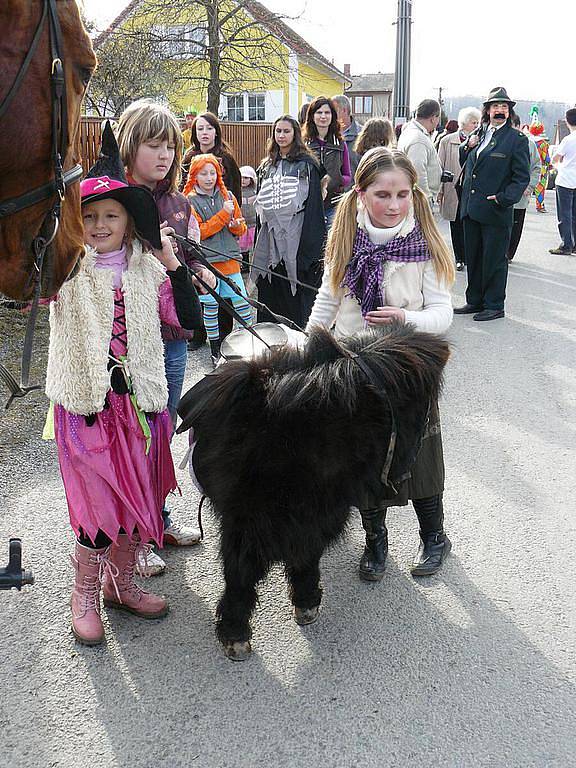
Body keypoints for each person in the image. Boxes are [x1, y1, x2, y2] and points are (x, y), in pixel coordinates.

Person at [45, 124, 202, 645]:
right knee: (96, 506)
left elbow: (185, 320)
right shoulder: (66, 272)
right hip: (88, 406)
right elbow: (29, 288)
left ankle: (121, 582)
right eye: (88, 216)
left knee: (136, 499)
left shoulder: (147, 272)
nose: (99, 224)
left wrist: (173, 262)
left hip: (139, 405)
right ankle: (83, 592)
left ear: (130, 223)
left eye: (111, 215)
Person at [306, 146, 454, 581]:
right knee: (364, 459)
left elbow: (442, 313)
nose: (393, 205)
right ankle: (376, 541)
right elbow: (327, 301)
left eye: (402, 195)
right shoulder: (346, 239)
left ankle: (434, 536)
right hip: (357, 369)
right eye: (383, 194)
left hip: (410, 369)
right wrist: (306, 344)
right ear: (361, 194)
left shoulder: (425, 243)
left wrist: (405, 318)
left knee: (421, 457)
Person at [117, 99, 212, 566]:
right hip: (127, 343)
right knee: (131, 435)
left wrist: (200, 271)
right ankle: (131, 536)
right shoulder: (109, 200)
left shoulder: (178, 203)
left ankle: (157, 518)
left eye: (170, 147)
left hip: (172, 341)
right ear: (130, 145)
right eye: (153, 145)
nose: (164, 156)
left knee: (161, 430)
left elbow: (192, 252)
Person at [454, 87, 530, 321]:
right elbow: (465, 161)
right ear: (487, 110)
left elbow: (521, 178)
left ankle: (495, 304)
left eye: (504, 107)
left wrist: (503, 199)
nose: (499, 110)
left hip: (496, 210)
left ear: (509, 112)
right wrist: (467, 146)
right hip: (471, 207)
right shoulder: (480, 132)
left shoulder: (516, 139)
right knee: (474, 257)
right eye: (495, 106)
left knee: (495, 260)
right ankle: (474, 301)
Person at [251, 115, 326, 327]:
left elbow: (313, 208)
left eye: (286, 131)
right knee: (272, 286)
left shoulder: (307, 165)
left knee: (297, 288)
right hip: (271, 236)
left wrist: (312, 246)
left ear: (295, 133)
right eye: (278, 131)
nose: (282, 135)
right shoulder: (266, 166)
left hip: (297, 233)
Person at [181, 112, 242, 350]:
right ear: (194, 134)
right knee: (199, 285)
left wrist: (232, 220)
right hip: (200, 234)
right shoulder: (189, 157)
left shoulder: (226, 158)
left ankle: (223, 336)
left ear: (216, 131)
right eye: (200, 129)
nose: (204, 133)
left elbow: (233, 192)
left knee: (226, 289)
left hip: (224, 234)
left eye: (208, 128)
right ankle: (198, 334)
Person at [183, 154, 251, 366]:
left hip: (230, 261)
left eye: (213, 172)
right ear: (194, 175)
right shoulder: (189, 201)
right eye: (204, 173)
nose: (209, 177)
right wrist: (223, 215)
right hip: (206, 265)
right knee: (211, 308)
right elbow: (199, 232)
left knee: (243, 304)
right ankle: (215, 348)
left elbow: (241, 228)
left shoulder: (228, 196)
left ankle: (246, 344)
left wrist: (234, 224)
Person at [437, 107, 481, 270]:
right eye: (473, 122)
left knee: (469, 224)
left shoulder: (480, 140)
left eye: (477, 122)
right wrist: (440, 191)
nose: (476, 125)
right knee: (455, 225)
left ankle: (469, 256)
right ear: (463, 123)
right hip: (452, 187)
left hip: (471, 189)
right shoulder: (447, 141)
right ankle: (459, 258)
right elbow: (439, 167)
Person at [303, 96, 352, 227]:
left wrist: (339, 180)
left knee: (331, 244)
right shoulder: (303, 145)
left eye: (327, 112)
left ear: (332, 116)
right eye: (319, 112)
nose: (323, 116)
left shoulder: (340, 144)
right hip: (308, 206)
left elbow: (348, 174)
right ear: (312, 116)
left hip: (333, 205)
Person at [508, 114, 541, 261]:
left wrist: (530, 186)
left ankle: (509, 254)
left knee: (516, 225)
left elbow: (536, 167)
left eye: (513, 126)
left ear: (518, 127)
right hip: (502, 193)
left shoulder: (529, 144)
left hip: (521, 194)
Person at [397, 99, 442, 205]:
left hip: (410, 195)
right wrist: (426, 197)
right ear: (433, 118)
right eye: (438, 118)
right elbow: (418, 171)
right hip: (419, 200)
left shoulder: (409, 132)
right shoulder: (419, 139)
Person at [549, 107, 576, 255]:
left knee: (564, 213)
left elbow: (555, 159)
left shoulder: (568, 139)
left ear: (568, 122)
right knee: (574, 214)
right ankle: (574, 243)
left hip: (565, 179)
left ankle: (566, 244)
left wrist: (558, 166)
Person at [332, 93, 363, 181]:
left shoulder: (362, 135)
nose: (329, 115)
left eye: (333, 111)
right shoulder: (326, 136)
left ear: (344, 110)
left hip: (354, 191)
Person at [528, 106, 551, 213]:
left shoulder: (528, 141)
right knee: (540, 188)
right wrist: (549, 165)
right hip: (541, 168)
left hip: (528, 166)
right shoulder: (543, 143)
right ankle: (540, 205)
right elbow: (546, 158)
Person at [238, 165, 258, 267]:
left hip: (253, 223)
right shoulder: (237, 191)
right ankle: (244, 264)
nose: (243, 180)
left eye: (246, 178)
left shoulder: (255, 191)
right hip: (242, 223)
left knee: (252, 245)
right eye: (241, 177)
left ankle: (253, 264)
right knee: (242, 246)